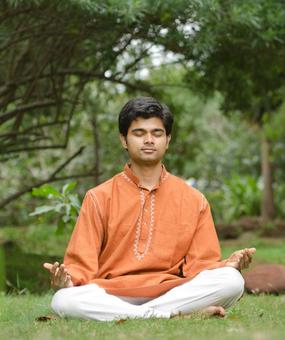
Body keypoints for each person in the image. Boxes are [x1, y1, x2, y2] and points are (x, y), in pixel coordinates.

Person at [43, 97, 256, 321]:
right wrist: (66, 281)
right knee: (64, 299)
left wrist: (226, 265)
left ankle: (144, 314)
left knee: (232, 281)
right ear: (124, 140)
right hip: (111, 294)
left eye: (157, 133)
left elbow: (201, 265)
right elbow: (81, 265)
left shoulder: (194, 199)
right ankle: (167, 316)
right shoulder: (98, 197)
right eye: (139, 133)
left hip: (172, 291)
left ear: (168, 140)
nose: (148, 140)